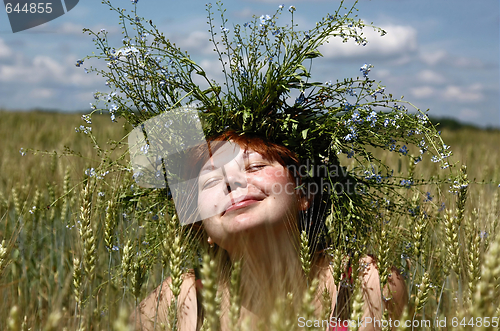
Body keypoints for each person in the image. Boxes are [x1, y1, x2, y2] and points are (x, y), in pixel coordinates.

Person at [131, 130, 408, 331]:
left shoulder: (365, 280)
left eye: (255, 166)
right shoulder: (178, 298)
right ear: (203, 228)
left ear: (303, 194)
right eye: (211, 181)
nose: (233, 182)